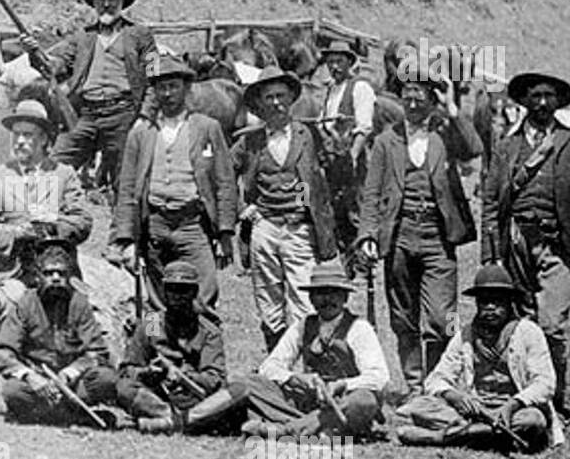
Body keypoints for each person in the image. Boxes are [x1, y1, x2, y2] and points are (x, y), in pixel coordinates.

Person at [481, 70, 570, 441]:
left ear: (559, 102)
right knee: (522, 323)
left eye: (548, 96)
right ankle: (526, 400)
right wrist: (492, 254)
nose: (541, 103)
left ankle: (557, 402)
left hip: (560, 247)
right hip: (517, 244)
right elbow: (491, 201)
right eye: (534, 96)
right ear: (523, 102)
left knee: (551, 326)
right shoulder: (506, 147)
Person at [357, 67, 481, 393]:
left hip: (438, 237)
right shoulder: (386, 141)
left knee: (442, 318)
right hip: (398, 236)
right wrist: (368, 234)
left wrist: (453, 109)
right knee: (403, 317)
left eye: (420, 94)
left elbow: (474, 147)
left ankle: (437, 385)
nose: (412, 102)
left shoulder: (446, 135)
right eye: (407, 94)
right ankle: (414, 387)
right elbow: (371, 193)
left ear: (432, 98)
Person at [184, 262, 388, 437]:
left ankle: (286, 431)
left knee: (363, 401)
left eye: (334, 293)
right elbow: (270, 366)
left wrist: (342, 385)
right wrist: (295, 378)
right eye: (320, 293)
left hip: (342, 403)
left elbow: (379, 377)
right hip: (311, 404)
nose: (327, 300)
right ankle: (312, 428)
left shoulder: (359, 329)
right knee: (251, 383)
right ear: (311, 298)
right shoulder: (303, 326)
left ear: (345, 297)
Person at [19, 0, 158, 210]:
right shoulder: (82, 36)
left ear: (122, 3)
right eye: (100, 0)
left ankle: (125, 241)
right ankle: (45, 231)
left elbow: (155, 77)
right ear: (94, 5)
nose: (106, 5)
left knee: (125, 183)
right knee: (52, 167)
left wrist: (145, 115)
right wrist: (34, 52)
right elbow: (54, 65)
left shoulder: (141, 36)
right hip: (85, 115)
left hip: (123, 115)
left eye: (111, 0)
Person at [110, 56, 237, 307]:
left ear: (186, 88)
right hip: (155, 226)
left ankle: (202, 342)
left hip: (192, 225)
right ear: (154, 92)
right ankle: (155, 343)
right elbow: (126, 189)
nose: (167, 94)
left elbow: (225, 182)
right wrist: (125, 238)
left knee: (204, 293)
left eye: (173, 86)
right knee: (155, 299)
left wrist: (224, 233)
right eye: (161, 87)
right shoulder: (141, 133)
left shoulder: (206, 128)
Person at [232, 67, 337, 351]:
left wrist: (313, 209)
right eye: (269, 98)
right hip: (264, 228)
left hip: (299, 229)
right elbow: (223, 175)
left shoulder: (309, 135)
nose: (276, 103)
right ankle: (276, 363)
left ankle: (304, 364)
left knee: (303, 297)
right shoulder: (250, 141)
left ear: (291, 99)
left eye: (281, 96)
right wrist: (243, 207)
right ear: (260, 104)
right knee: (268, 299)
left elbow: (337, 172)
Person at [395, 265, 554, 452]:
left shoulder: (528, 332)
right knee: (418, 406)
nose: (490, 308)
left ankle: (445, 437)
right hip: (476, 411)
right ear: (477, 304)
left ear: (510, 302)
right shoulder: (466, 334)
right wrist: (454, 396)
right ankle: (488, 435)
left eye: (497, 302)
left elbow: (545, 383)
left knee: (533, 421)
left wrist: (513, 404)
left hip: (515, 409)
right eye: (484, 302)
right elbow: (436, 379)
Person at [0, 99, 90, 335]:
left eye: (28, 135)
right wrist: (19, 232)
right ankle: (12, 364)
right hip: (10, 269)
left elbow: (82, 221)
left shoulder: (63, 175)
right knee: (16, 302)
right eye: (16, 135)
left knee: (76, 311)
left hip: (56, 268)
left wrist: (52, 225)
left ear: (45, 139)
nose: (19, 141)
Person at [0, 238, 117, 426]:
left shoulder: (80, 303)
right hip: (39, 383)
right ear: (38, 276)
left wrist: (70, 373)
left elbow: (97, 352)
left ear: (69, 276)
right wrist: (29, 376)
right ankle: (72, 415)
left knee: (107, 380)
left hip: (73, 383)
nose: (56, 278)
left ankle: (55, 414)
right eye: (49, 273)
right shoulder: (25, 304)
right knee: (13, 390)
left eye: (61, 273)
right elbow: (2, 352)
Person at [116, 261, 228, 434]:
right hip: (157, 396)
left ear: (195, 292)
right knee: (124, 388)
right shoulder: (152, 322)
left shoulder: (207, 331)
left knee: (233, 394)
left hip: (195, 398)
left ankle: (173, 421)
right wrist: (147, 372)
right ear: (164, 291)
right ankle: (176, 418)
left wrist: (184, 376)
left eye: (184, 290)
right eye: (172, 289)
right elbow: (127, 369)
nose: (177, 296)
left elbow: (215, 378)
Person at [315, 40, 375, 268]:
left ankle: (362, 258)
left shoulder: (360, 88)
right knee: (335, 206)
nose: (334, 67)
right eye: (330, 62)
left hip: (351, 158)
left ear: (349, 63)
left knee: (355, 207)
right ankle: (344, 258)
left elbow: (364, 126)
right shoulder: (330, 89)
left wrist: (352, 155)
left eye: (339, 61)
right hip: (332, 158)